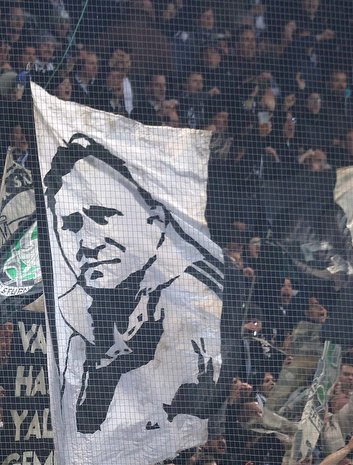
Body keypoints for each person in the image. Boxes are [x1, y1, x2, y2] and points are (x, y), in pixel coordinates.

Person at [43, 134, 224, 441]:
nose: (87, 243)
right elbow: (83, 426)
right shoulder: (74, 309)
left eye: (101, 217)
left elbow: (194, 407)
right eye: (72, 224)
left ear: (154, 219)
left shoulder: (198, 296)